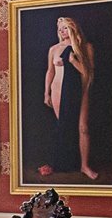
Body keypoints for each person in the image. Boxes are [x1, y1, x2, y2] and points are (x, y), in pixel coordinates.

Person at [38, 15, 98, 181]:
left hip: (80, 89)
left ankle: (84, 166)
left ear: (73, 28)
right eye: (59, 29)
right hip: (57, 89)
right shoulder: (54, 49)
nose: (62, 31)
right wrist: (46, 93)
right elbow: (50, 71)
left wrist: (72, 61)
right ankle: (62, 163)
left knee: (83, 127)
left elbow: (89, 73)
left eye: (65, 27)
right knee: (64, 127)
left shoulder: (85, 47)